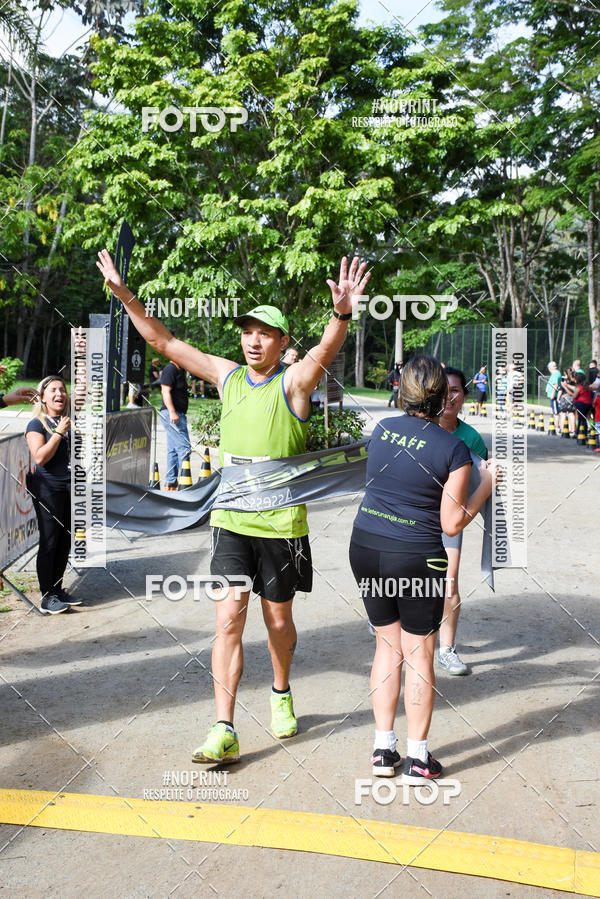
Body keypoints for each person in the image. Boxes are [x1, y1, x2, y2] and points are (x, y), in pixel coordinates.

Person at [96, 249, 371, 762]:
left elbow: (323, 353)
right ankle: (223, 726)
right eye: (247, 332)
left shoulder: (293, 383)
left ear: (282, 342)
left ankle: (281, 690)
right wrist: (124, 295)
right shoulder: (227, 377)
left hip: (281, 525)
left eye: (265, 333)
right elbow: (164, 342)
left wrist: (341, 314)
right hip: (230, 520)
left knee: (278, 623)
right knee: (227, 621)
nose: (253, 340)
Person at [349, 356, 499, 782]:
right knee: (419, 652)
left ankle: (383, 750)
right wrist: (486, 485)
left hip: (366, 546)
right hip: (416, 556)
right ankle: (417, 758)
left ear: (403, 391)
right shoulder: (452, 448)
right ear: (441, 397)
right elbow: (452, 523)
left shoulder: (382, 429)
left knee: (386, 647)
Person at [438, 366, 487, 676]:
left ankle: (446, 649)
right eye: (443, 391)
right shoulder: (420, 428)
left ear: (464, 396)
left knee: (449, 580)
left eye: (455, 390)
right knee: (403, 573)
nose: (449, 397)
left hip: (450, 519)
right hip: (414, 515)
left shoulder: (472, 439)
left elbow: (480, 482)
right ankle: (388, 619)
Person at [25, 376, 83, 615]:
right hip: (47, 490)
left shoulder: (67, 420)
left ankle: (57, 590)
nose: (59, 394)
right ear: (43, 397)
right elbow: (39, 457)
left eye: (62, 389)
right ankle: (46, 597)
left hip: (69, 489)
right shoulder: (36, 424)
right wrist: (58, 433)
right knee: (49, 541)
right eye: (53, 390)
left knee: (64, 540)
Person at [159, 360, 192, 490]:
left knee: (173, 450)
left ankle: (171, 482)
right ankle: (184, 483)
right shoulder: (170, 369)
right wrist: (172, 412)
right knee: (184, 448)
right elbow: (165, 391)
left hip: (179, 414)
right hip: (172, 414)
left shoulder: (181, 370)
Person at [566, 372, 593, 438]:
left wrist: (565, 387)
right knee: (584, 418)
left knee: (581, 419)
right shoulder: (588, 386)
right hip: (588, 404)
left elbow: (574, 396)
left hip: (581, 404)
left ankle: (581, 433)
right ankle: (582, 432)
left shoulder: (579, 387)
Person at [546, 361, 562, 432]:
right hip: (553, 395)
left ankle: (557, 426)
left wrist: (552, 393)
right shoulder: (555, 373)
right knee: (555, 411)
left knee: (556, 412)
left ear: (550, 368)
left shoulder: (556, 374)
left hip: (554, 395)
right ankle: (557, 425)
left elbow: (556, 384)